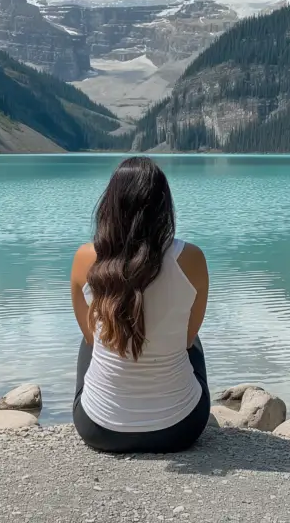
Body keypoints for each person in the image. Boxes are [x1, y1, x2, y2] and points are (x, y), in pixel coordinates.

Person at [70, 156, 211, 453]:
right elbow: (186, 340)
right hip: (180, 429)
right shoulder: (191, 259)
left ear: (110, 205)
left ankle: (116, 405)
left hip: (99, 428)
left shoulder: (86, 258)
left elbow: (89, 338)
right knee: (193, 339)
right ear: (163, 206)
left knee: (93, 335)